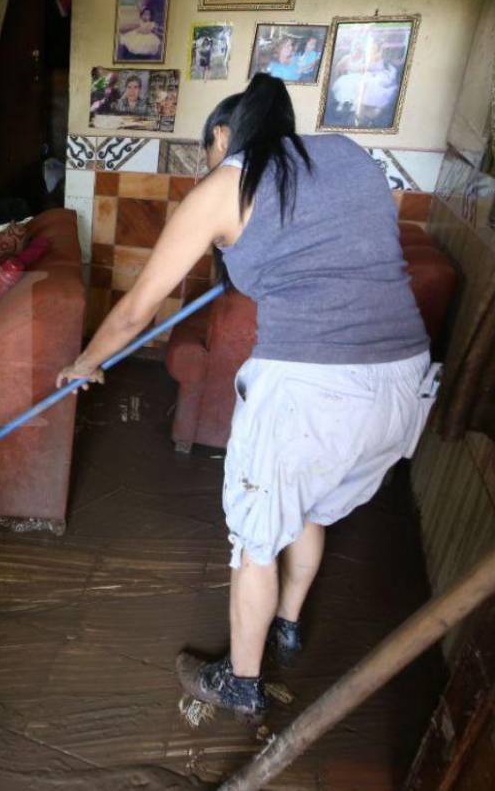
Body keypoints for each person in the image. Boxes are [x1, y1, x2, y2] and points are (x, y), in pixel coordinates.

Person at [57, 74, 433, 723]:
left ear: (225, 135)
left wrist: (85, 363)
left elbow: (136, 310)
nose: (211, 163)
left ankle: (241, 681)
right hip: (401, 382)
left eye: (210, 150)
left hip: (312, 386)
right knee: (309, 509)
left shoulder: (228, 181)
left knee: (256, 543)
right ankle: (287, 624)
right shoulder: (347, 154)